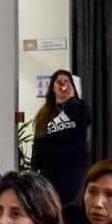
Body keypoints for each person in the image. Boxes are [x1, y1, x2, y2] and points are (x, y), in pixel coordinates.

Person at [31, 70, 92, 205]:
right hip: (50, 172)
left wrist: (70, 99)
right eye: (59, 82)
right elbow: (38, 143)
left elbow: (86, 125)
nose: (63, 85)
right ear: (52, 87)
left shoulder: (81, 107)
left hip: (74, 170)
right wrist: (34, 171)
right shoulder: (44, 114)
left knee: (70, 208)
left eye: (67, 82)